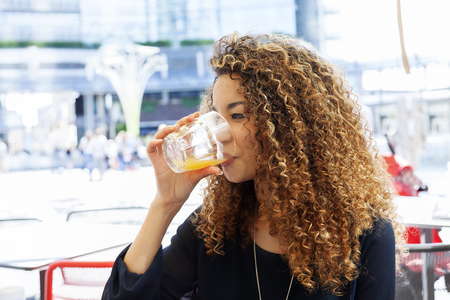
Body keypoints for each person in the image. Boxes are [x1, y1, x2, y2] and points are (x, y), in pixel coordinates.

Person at [102, 32, 404, 300]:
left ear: (289, 126)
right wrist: (165, 203)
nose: (218, 135)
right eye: (215, 116)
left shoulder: (366, 233)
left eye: (237, 116)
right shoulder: (213, 227)